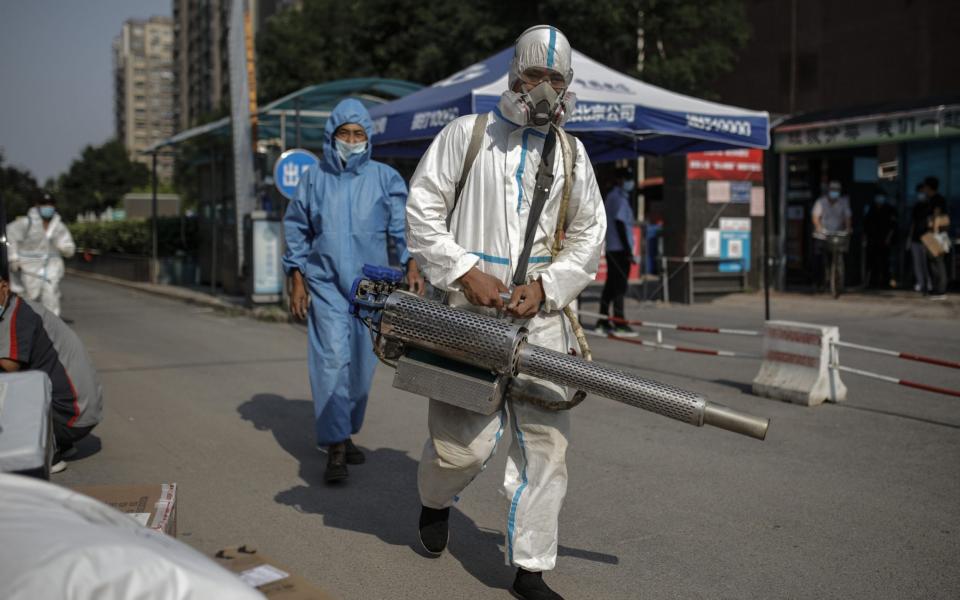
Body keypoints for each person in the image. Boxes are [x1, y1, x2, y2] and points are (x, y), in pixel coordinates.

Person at [405, 26, 605, 600]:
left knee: (545, 447)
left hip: (541, 322)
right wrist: (464, 270)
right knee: (460, 447)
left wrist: (548, 286)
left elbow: (590, 234)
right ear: (515, 76)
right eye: (536, 77)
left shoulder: (571, 153)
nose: (546, 89)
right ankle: (435, 499)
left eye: (557, 79)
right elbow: (422, 210)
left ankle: (531, 569)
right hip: (468, 317)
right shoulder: (466, 137)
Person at [282, 98, 424, 484]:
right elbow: (297, 228)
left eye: (358, 133)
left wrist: (411, 261)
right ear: (331, 137)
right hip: (325, 282)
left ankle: (344, 429)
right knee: (331, 362)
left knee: (363, 366)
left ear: (368, 138)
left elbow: (402, 228)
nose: (350, 139)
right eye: (344, 133)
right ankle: (335, 446)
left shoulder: (385, 178)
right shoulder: (313, 179)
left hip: (372, 286)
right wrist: (296, 276)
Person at [0, 265, 103, 474]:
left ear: (3, 287)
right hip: (79, 414)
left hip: (71, 416)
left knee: (6, 383)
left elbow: (9, 366)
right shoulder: (19, 307)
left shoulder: (18, 315)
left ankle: (48, 451)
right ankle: (60, 442)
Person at [6, 193, 76, 316]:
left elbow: (69, 247)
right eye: (44, 204)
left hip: (51, 267)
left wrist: (63, 247)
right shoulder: (25, 223)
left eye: (50, 204)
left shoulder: (58, 226)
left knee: (51, 295)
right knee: (28, 297)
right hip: (28, 268)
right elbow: (11, 237)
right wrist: (13, 258)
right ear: (37, 205)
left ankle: (51, 327)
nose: (47, 207)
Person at [595, 168, 637, 336]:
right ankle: (619, 322)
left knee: (611, 287)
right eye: (627, 178)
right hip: (619, 250)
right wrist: (628, 251)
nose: (629, 182)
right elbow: (620, 225)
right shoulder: (618, 198)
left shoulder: (616, 197)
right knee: (619, 287)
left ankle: (603, 321)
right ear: (619, 180)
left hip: (615, 248)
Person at [811, 180, 852, 291]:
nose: (834, 192)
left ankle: (840, 281)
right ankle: (818, 282)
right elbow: (815, 216)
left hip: (837, 234)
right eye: (832, 190)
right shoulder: (821, 202)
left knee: (841, 253)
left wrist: (848, 228)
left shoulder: (843, 202)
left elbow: (847, 217)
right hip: (823, 234)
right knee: (818, 258)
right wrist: (819, 227)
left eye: (836, 190)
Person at [921, 176, 949, 299]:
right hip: (934, 233)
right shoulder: (932, 199)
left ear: (928, 187)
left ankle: (940, 290)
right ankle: (936, 289)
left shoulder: (937, 199)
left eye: (925, 187)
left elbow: (936, 215)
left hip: (937, 234)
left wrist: (935, 233)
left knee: (937, 261)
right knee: (933, 262)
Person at [863, 191, 896, 288]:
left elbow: (893, 226)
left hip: (884, 239)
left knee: (885, 262)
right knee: (872, 261)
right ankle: (872, 282)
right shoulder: (871, 208)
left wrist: (889, 238)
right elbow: (865, 224)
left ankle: (885, 282)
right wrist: (865, 237)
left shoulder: (889, 209)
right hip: (872, 239)